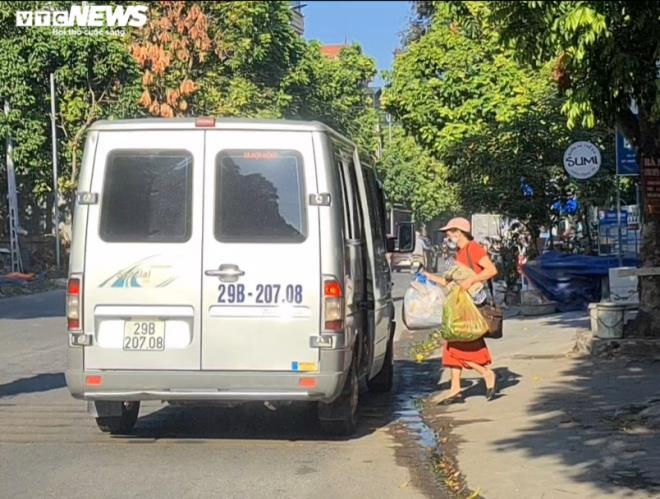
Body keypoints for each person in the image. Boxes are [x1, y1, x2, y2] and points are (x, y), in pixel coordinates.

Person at [422, 217, 498, 404]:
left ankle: (486, 373)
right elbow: (449, 282)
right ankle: (455, 388)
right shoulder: (459, 253)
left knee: (457, 347)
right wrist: (428, 276)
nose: (447, 236)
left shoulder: (473, 248)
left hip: (471, 305)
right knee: (452, 345)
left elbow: (491, 270)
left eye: (450, 232)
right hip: (460, 306)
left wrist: (471, 280)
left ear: (460, 232)